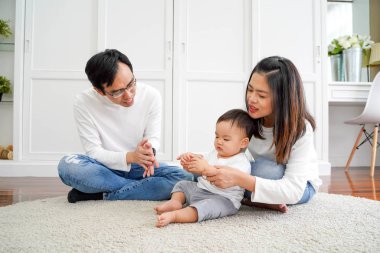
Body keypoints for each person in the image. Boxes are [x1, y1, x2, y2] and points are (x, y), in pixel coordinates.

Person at [184, 56, 322, 213]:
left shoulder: (301, 128)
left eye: (261, 95)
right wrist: (201, 161)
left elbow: (293, 190)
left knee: (266, 171)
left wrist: (237, 178)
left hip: (301, 186)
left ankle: (249, 196)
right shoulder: (248, 119)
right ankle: (254, 198)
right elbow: (229, 152)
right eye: (250, 90)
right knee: (204, 172)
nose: (251, 99)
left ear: (282, 99)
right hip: (259, 177)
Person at [57, 49, 192, 203]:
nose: (129, 95)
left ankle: (100, 193)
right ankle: (138, 189)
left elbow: (153, 137)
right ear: (99, 91)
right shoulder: (83, 102)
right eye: (118, 92)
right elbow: (93, 151)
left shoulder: (151, 95)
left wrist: (148, 151)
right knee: (67, 166)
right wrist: (130, 156)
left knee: (185, 178)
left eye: (131, 84)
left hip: (138, 166)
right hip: (102, 168)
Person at [154, 109, 257, 227]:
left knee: (203, 208)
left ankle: (175, 215)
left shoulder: (241, 162)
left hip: (223, 199)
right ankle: (175, 201)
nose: (219, 141)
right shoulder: (214, 153)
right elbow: (202, 160)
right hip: (201, 189)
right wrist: (190, 159)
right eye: (217, 136)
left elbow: (219, 175)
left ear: (243, 143)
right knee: (182, 184)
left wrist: (204, 168)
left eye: (226, 139)